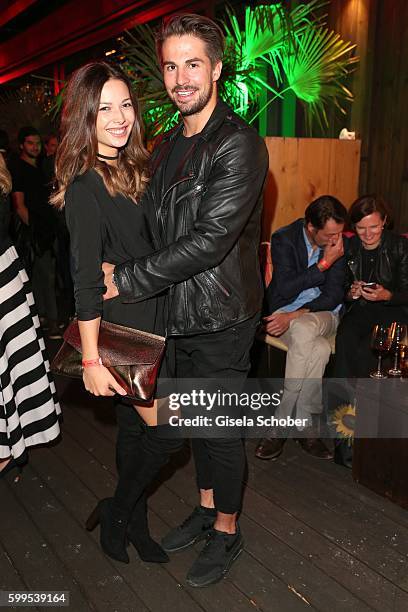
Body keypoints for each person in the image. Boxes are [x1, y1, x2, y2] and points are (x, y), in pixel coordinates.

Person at [102, 14, 269, 587]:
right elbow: (151, 224)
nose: (179, 78)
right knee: (190, 420)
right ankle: (203, 509)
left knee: (219, 429)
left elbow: (208, 241)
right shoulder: (170, 142)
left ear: (216, 68)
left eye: (191, 64)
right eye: (171, 66)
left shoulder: (239, 143)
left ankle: (226, 528)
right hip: (171, 312)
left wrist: (125, 279)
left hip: (221, 314)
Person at [50, 61, 183, 566]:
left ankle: (132, 521)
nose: (119, 117)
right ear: (85, 116)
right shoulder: (86, 186)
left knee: (136, 432)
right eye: (104, 108)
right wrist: (90, 360)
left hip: (159, 319)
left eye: (125, 105)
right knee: (171, 431)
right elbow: (84, 281)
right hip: (125, 331)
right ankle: (118, 509)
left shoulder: (137, 168)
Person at [255, 196, 347, 461]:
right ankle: (306, 426)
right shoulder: (284, 238)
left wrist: (297, 313)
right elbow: (284, 289)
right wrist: (322, 265)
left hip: (324, 315)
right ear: (310, 227)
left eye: (340, 232)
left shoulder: (338, 243)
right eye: (330, 234)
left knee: (305, 329)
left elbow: (333, 296)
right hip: (285, 312)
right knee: (316, 350)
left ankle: (279, 424)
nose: (337, 239)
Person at [0, 141, 61, 479]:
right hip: (7, 270)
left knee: (10, 365)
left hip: (4, 275)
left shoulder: (8, 174)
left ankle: (8, 445)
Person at [334, 195, 408, 377]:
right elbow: (339, 288)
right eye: (361, 228)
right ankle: (340, 403)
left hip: (394, 313)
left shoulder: (400, 246)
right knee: (344, 339)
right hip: (359, 311)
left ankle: (365, 402)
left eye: (373, 226)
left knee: (366, 351)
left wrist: (387, 295)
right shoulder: (349, 246)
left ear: (384, 221)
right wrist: (351, 293)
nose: (367, 234)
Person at [11, 126, 61, 339]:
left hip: (48, 228)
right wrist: (35, 231)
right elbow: (19, 205)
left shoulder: (41, 165)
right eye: (30, 143)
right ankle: (53, 323)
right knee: (45, 276)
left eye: (38, 143)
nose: (35, 147)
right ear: (22, 145)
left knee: (43, 277)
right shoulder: (18, 169)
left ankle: (42, 319)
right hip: (35, 232)